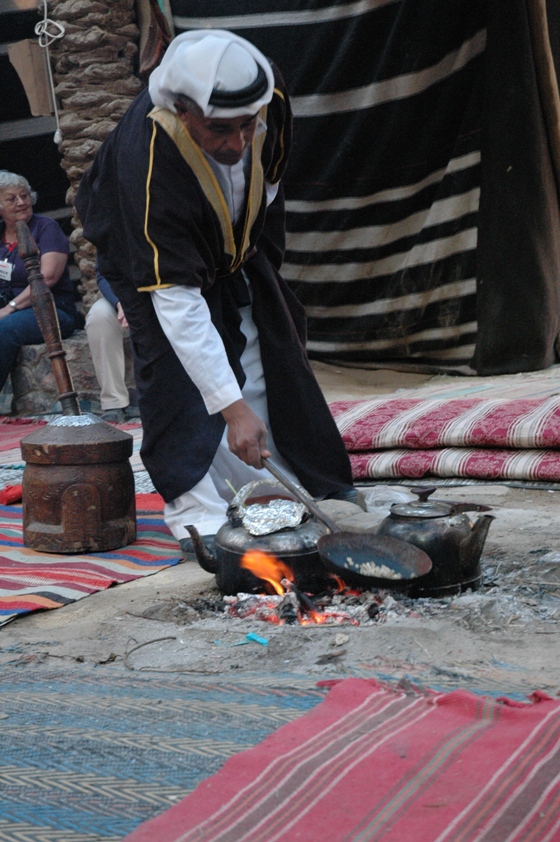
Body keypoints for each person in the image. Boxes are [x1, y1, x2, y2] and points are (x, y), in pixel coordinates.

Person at [75, 29, 361, 555]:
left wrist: (252, 254)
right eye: (220, 130)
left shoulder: (267, 92)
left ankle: (285, 484)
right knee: (176, 369)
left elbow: (269, 183)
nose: (237, 142)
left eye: (247, 126)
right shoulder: (149, 157)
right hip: (143, 248)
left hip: (233, 235)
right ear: (184, 112)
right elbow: (178, 302)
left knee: (265, 336)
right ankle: (197, 510)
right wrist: (231, 410)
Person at [0, 170, 79, 395]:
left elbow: (47, 277)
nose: (21, 202)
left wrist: (9, 308)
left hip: (51, 310)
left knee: (4, 329)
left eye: (24, 196)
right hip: (10, 308)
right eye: (12, 198)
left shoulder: (46, 228)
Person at [85, 268, 134, 423]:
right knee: (99, 317)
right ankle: (114, 402)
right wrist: (120, 303)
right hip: (120, 294)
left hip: (163, 292)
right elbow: (104, 274)